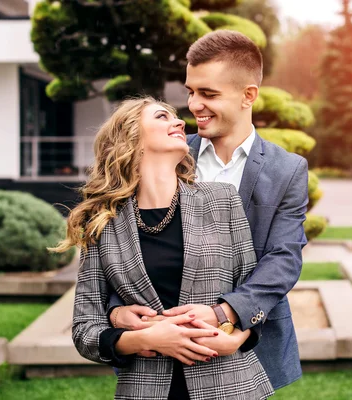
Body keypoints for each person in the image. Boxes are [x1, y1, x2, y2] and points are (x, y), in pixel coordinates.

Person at [108, 30, 309, 390]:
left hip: (246, 350)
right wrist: (116, 309)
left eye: (208, 94)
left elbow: (283, 258)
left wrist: (228, 317)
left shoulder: (288, 170)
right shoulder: (164, 153)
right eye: (190, 91)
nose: (194, 104)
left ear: (249, 95)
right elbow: (121, 246)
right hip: (155, 356)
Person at [52, 97, 274, 399]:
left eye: (175, 117)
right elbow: (85, 329)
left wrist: (237, 338)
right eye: (161, 116)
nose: (181, 122)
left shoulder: (223, 199)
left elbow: (251, 293)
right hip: (145, 390)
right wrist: (146, 338)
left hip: (230, 383)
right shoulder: (102, 221)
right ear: (131, 137)